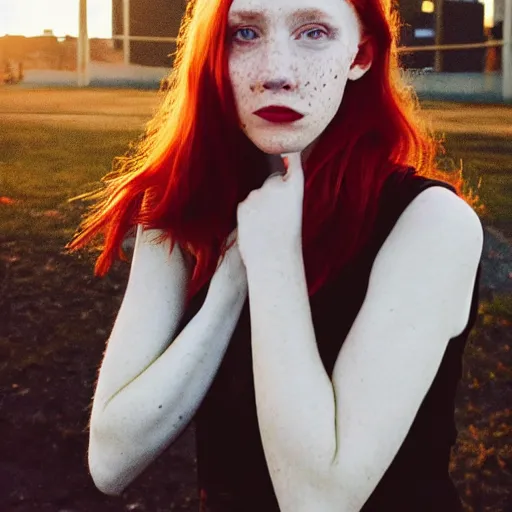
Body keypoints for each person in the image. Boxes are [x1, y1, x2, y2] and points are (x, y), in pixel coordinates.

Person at [67, 0, 484, 510]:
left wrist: (276, 263)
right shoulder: (185, 206)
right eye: (244, 34)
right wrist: (229, 285)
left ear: (361, 56)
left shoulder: (431, 223)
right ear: (212, 55)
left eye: (313, 32)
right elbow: (111, 459)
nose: (276, 73)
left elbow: (318, 501)